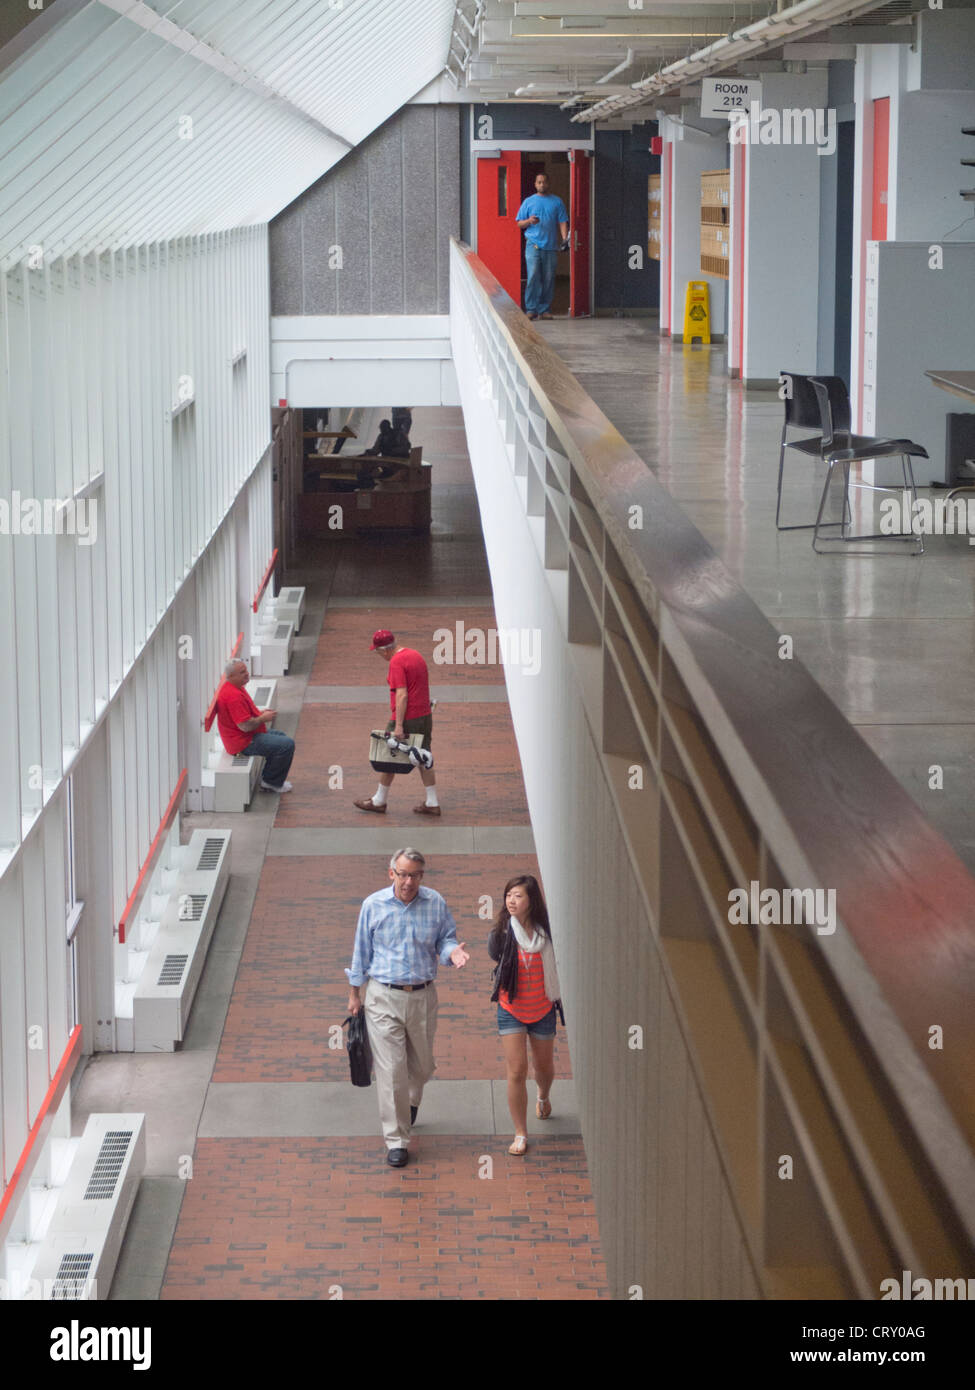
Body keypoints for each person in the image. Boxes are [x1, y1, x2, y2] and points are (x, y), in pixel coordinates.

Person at [346, 848, 470, 1168]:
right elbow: (361, 952)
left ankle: (411, 1103)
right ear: (392, 874)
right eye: (403, 874)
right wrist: (354, 995)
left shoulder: (435, 903)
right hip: (382, 997)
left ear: (422, 876)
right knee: (392, 1071)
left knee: (422, 1065)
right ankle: (397, 1139)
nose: (409, 881)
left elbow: (445, 938)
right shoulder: (373, 906)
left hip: (422, 997)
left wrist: (451, 952)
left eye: (415, 875)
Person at [488, 874, 562, 1156]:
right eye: (508, 895)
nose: (511, 900)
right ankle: (520, 1132)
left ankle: (543, 1096)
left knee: (543, 1069)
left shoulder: (548, 932)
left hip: (543, 1009)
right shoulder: (501, 934)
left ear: (531, 901)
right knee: (517, 1071)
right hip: (511, 1010)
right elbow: (496, 957)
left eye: (518, 896)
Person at [354, 629, 441, 816]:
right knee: (424, 756)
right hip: (424, 715)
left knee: (388, 754)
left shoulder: (396, 662)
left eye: (377, 652)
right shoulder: (415, 655)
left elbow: (401, 694)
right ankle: (432, 802)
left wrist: (399, 725)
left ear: (384, 650)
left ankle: (379, 801)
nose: (379, 656)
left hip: (406, 717)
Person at [213, 658, 295, 793]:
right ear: (231, 676)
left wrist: (261, 714)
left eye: (246, 670)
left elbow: (245, 716)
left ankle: (271, 776)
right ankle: (270, 782)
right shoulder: (233, 696)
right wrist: (263, 718)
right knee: (286, 745)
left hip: (243, 736)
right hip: (241, 742)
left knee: (281, 737)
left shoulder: (235, 687)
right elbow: (244, 726)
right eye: (242, 672)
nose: (247, 673)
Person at [514, 172, 569, 322]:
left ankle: (544, 309)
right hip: (533, 244)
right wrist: (529, 221)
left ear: (548, 183)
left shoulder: (557, 202)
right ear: (535, 184)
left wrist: (565, 239)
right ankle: (531, 309)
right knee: (533, 275)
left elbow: (563, 221)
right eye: (539, 182)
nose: (542, 185)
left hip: (550, 246)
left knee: (549, 278)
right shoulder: (528, 202)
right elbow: (519, 223)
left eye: (544, 182)